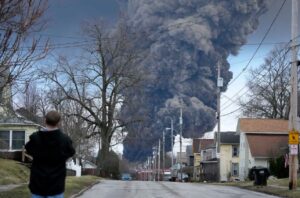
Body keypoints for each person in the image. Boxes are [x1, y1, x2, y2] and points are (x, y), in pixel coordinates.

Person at [25, 111, 75, 198]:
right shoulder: (65, 140)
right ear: (58, 122)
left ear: (45, 120)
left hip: (38, 184)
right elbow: (71, 152)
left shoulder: (35, 138)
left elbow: (28, 149)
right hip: (56, 185)